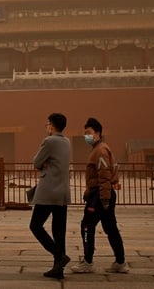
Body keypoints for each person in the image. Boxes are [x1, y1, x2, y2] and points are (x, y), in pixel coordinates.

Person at [70, 117, 129, 274]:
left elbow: (103, 177)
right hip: (103, 193)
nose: (86, 136)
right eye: (85, 133)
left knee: (87, 226)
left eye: (88, 133)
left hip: (100, 195)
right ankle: (120, 261)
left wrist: (103, 199)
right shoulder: (100, 149)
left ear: (97, 133)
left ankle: (88, 262)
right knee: (110, 227)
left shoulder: (100, 151)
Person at [29, 112, 72, 279]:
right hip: (62, 193)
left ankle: (59, 256)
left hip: (48, 192)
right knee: (59, 231)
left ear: (52, 125)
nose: (46, 126)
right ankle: (58, 269)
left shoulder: (49, 141)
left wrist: (44, 164)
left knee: (35, 225)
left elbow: (36, 162)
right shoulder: (66, 141)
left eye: (47, 124)